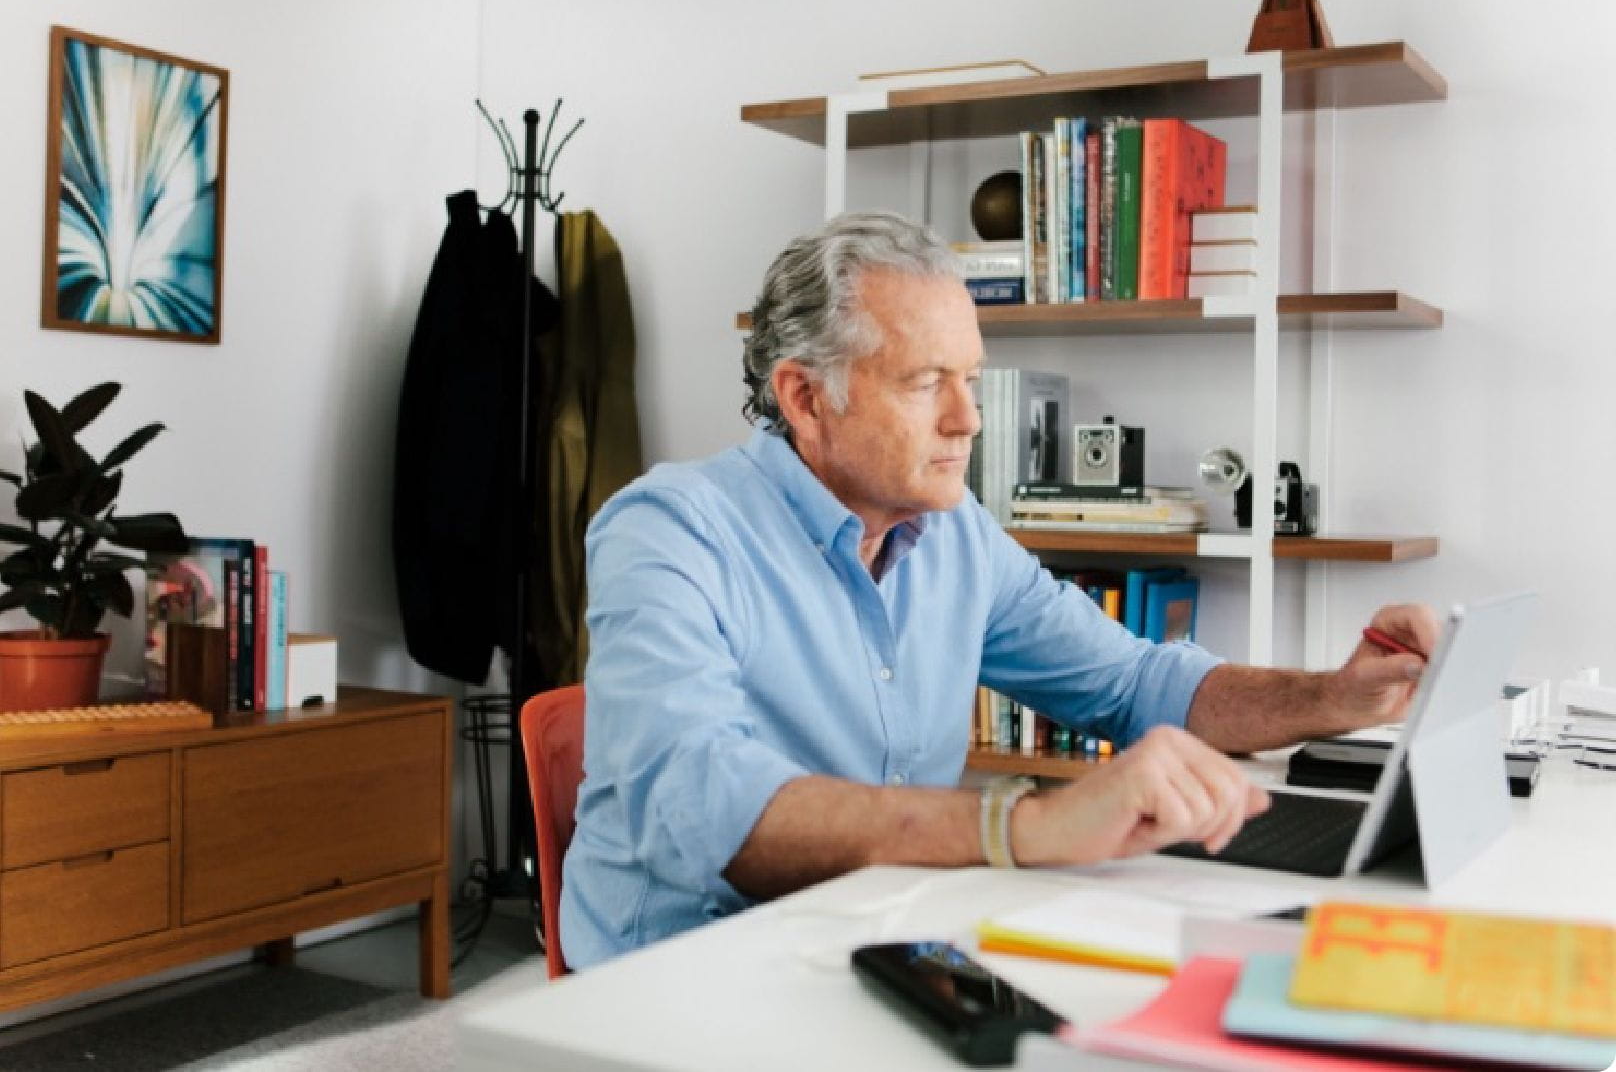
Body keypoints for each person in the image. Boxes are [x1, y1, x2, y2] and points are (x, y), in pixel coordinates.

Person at [558, 211, 1439, 970]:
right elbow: (706, 805)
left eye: (971, 378)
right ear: (804, 396)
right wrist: (1016, 829)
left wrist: (1336, 695)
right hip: (690, 975)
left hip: (883, 939)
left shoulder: (953, 533)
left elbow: (1135, 686)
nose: (968, 419)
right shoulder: (671, 528)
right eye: (923, 383)